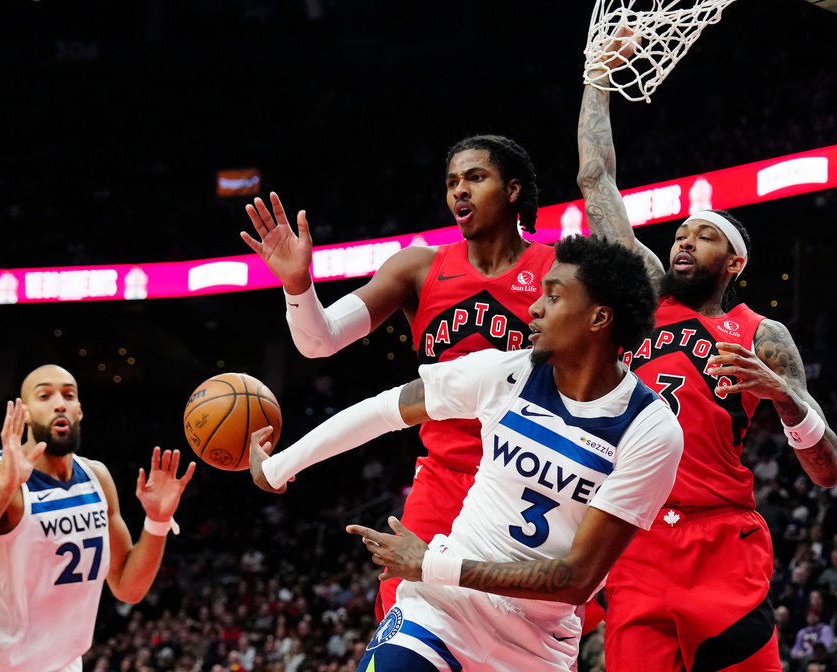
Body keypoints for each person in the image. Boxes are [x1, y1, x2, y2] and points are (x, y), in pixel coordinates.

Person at [250, 235, 684, 671]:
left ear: (599, 318)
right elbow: (383, 410)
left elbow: (575, 579)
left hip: (537, 644)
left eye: (553, 296)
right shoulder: (505, 372)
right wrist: (278, 466)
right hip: (441, 612)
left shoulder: (650, 429)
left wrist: (433, 564)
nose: (534, 308)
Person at [575, 28, 837, 672]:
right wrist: (597, 80)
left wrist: (782, 396)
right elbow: (595, 176)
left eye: (704, 236)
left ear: (736, 262)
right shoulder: (644, 293)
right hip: (633, 536)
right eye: (681, 233)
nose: (684, 242)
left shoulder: (762, 335)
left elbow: (828, 470)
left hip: (720, 536)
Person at [241, 135, 557, 620]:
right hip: (443, 477)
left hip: (532, 479)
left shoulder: (560, 273)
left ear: (513, 190)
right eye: (452, 182)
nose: (460, 192)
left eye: (476, 178)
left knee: (524, 632)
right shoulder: (419, 267)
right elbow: (319, 341)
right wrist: (297, 285)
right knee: (405, 624)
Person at [0, 364, 196, 672]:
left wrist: (157, 521)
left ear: (79, 411)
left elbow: (127, 588)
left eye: (68, 395)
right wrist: (1, 492)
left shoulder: (97, 478)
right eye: (44, 395)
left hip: (61, 665)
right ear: (24, 413)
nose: (59, 402)